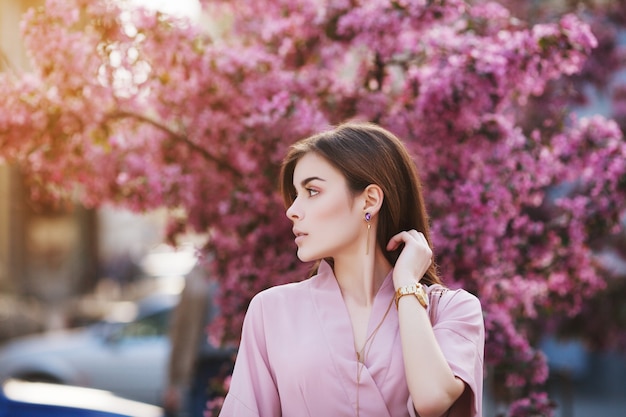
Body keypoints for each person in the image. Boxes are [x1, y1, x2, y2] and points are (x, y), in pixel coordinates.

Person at [219, 122, 485, 417]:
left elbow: (432, 399)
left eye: (312, 191)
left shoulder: (454, 310)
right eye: (295, 194)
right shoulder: (271, 311)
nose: (292, 210)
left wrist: (406, 284)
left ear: (369, 200)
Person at [163, 265, 234, 417]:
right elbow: (180, 330)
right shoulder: (196, 276)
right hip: (203, 364)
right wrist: (174, 383)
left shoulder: (237, 268)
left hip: (233, 361)